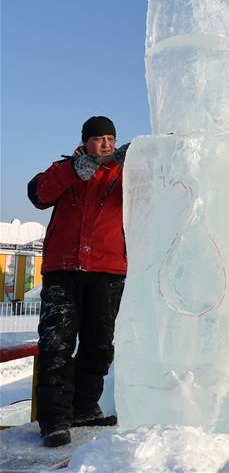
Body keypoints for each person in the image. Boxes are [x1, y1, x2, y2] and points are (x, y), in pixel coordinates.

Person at [27, 116, 129, 447]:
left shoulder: (124, 172)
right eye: (99, 139)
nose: (107, 145)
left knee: (99, 345)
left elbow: (161, 189)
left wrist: (144, 162)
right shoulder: (65, 170)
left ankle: (84, 408)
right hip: (63, 268)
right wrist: (73, 169)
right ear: (85, 141)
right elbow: (38, 195)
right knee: (56, 344)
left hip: (108, 268)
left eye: (111, 139)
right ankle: (54, 419)